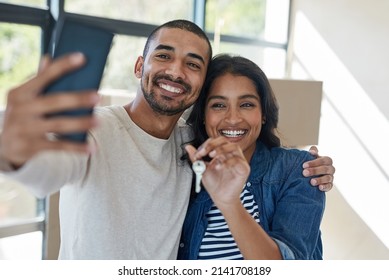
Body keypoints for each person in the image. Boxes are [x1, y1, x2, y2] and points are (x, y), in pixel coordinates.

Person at [0, 20, 334, 260]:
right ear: (139, 66)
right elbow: (47, 172)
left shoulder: (194, 149)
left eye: (192, 64)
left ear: (201, 84)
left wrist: (309, 164)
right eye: (164, 56)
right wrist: (14, 149)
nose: (176, 72)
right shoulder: (97, 128)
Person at [178, 54, 325, 260]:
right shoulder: (184, 173)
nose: (233, 118)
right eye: (219, 105)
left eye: (246, 104)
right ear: (203, 115)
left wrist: (229, 203)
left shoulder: (298, 170)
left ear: (263, 113)